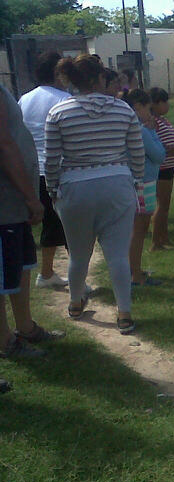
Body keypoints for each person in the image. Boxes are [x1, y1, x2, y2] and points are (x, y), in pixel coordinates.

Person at [45, 54, 144, 334]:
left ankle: (76, 303)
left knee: (78, 254)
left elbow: (52, 159)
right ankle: (124, 313)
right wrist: (135, 179)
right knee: (117, 255)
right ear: (100, 78)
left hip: (75, 185)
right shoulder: (123, 110)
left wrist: (53, 188)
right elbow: (136, 152)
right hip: (117, 182)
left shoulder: (59, 112)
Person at [0, 83, 64, 357]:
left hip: (13, 202)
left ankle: (25, 327)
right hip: (5, 201)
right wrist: (30, 196)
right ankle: (5, 342)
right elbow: (4, 143)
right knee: (4, 274)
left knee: (22, 266)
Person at [17, 51, 71, 290]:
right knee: (68, 225)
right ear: (58, 73)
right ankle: (59, 274)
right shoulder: (63, 99)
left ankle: (47, 271)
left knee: (50, 223)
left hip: (30, 168)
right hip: (56, 168)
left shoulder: (24, 99)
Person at [125, 90, 165, 286]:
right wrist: (152, 131)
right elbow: (159, 155)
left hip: (138, 181)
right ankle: (135, 275)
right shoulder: (141, 130)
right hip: (144, 182)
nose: (150, 114)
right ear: (136, 108)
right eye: (146, 109)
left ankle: (135, 271)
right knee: (138, 230)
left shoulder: (131, 128)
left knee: (136, 230)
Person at [150, 87, 174, 251]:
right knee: (161, 206)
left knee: (165, 205)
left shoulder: (164, 121)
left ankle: (164, 237)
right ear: (155, 104)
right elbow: (153, 142)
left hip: (170, 167)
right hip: (162, 168)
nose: (167, 105)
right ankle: (156, 242)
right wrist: (170, 148)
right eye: (164, 102)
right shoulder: (153, 122)